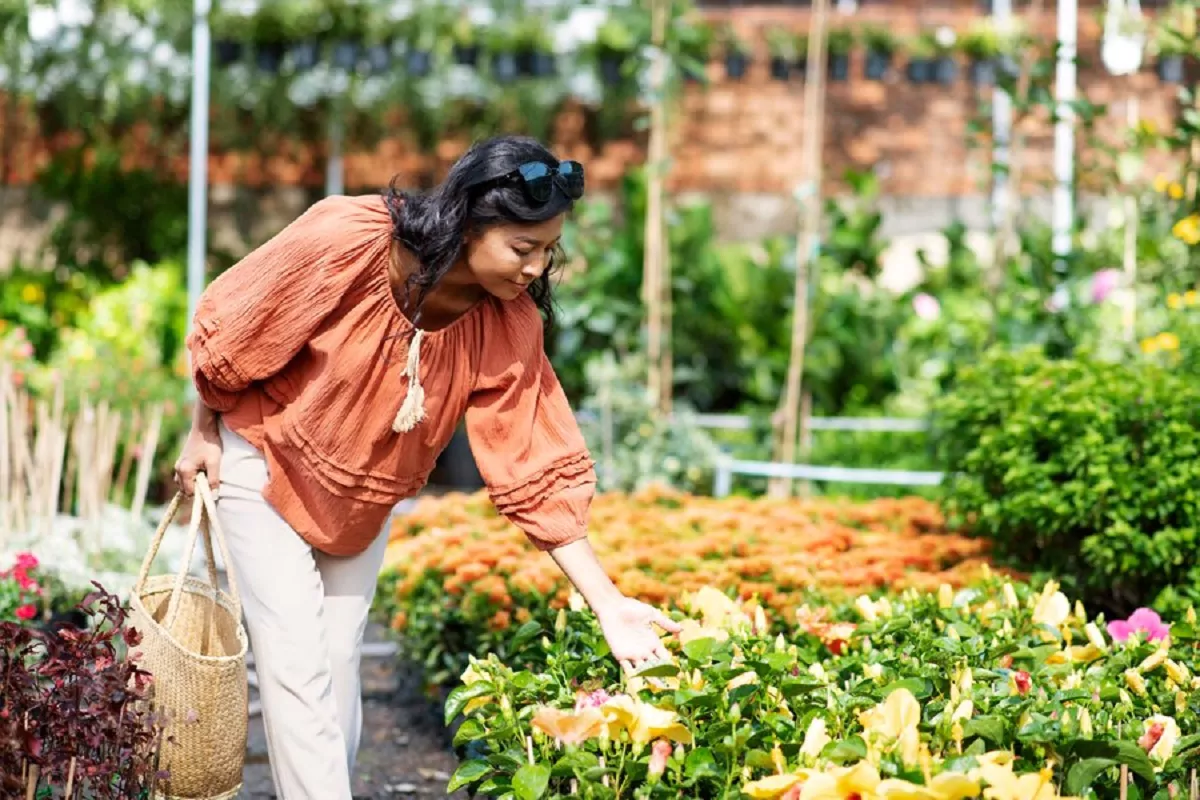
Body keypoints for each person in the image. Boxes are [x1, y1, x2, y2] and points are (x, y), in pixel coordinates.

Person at [173, 135, 681, 799]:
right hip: (263, 460)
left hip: (363, 500)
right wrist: (202, 425)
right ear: (470, 221)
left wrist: (609, 604)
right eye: (523, 248)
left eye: (549, 250)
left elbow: (536, 466)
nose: (536, 267)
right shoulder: (350, 238)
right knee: (296, 666)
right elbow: (240, 322)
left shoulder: (506, 325)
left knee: (333, 659)